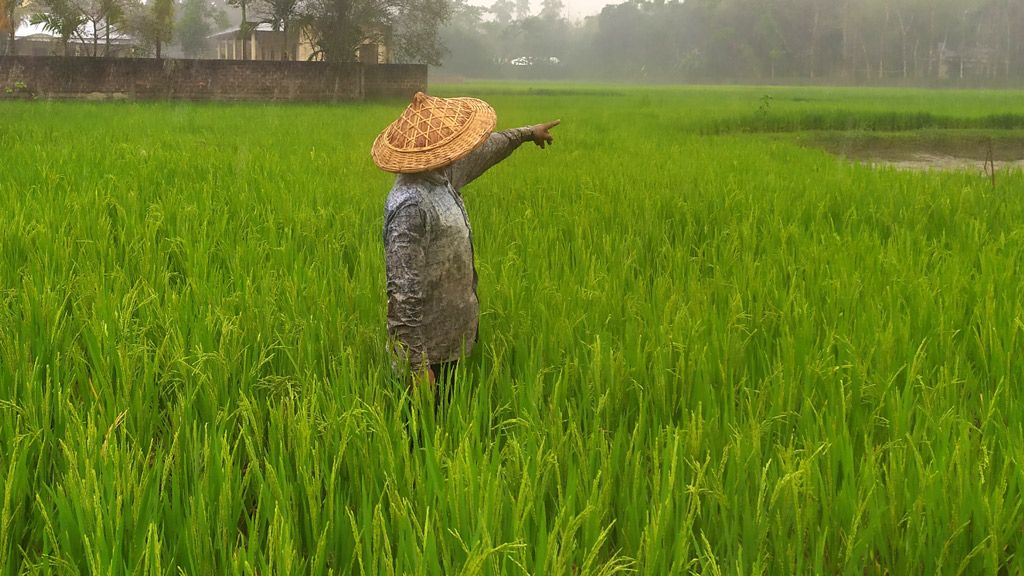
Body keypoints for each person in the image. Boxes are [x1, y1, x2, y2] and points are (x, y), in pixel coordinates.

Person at [373, 91, 559, 404]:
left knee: (446, 430)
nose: (462, 151)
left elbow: (487, 150)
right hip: (427, 353)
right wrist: (416, 367)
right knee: (420, 439)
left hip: (450, 341)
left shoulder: (442, 176)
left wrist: (528, 133)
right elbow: (403, 296)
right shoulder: (411, 205)